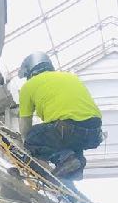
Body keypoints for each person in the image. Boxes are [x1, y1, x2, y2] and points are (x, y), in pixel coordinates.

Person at [18, 52, 102, 180]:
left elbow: (24, 127)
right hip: (95, 133)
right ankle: (75, 170)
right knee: (68, 140)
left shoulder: (28, 86)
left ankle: (67, 159)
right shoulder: (70, 77)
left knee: (33, 136)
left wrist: (26, 148)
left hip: (68, 129)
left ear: (30, 72)